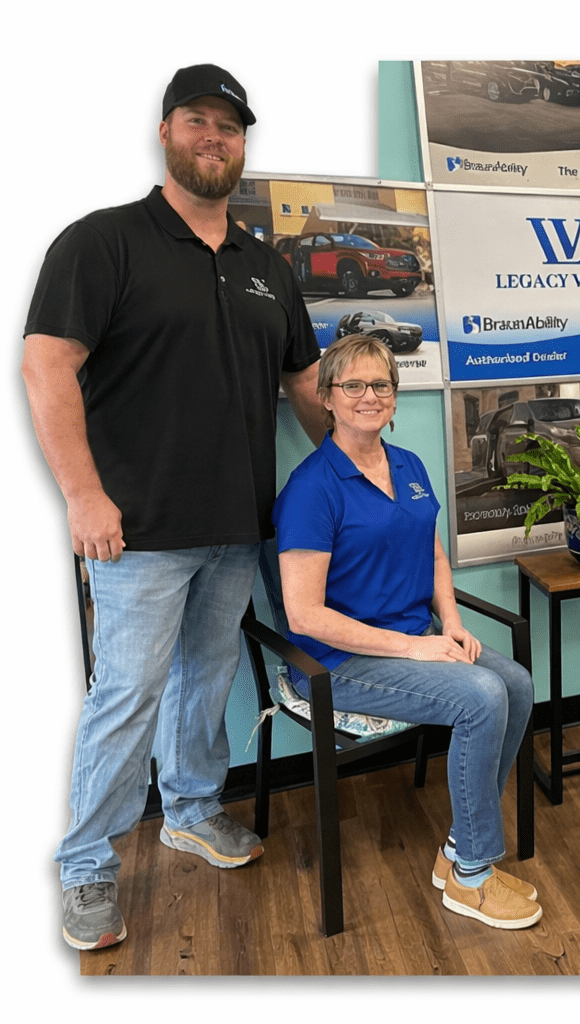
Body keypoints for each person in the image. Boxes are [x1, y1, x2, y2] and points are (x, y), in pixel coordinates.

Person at [22, 64, 324, 950]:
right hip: (137, 535)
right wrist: (83, 497)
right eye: (198, 121)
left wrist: (357, 456)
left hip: (236, 526)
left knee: (207, 681)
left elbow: (304, 382)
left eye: (230, 128)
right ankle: (86, 865)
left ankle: (191, 809)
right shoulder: (103, 242)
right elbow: (46, 367)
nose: (214, 139)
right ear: (166, 131)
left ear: (242, 145)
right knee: (127, 695)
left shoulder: (267, 266)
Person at [273, 335, 540, 930]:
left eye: (382, 385)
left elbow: (434, 554)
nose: (370, 396)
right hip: (338, 662)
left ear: (395, 396)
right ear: (326, 397)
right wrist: (417, 646)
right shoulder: (311, 488)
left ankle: (456, 851)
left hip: (419, 636)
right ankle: (472, 876)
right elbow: (304, 617)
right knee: (481, 695)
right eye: (354, 386)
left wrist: (451, 620)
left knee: (516, 683)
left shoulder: (409, 466)